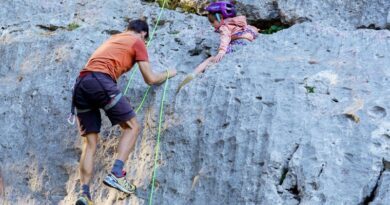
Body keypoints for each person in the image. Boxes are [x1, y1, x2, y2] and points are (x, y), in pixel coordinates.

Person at [72, 19, 177, 205]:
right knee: (132, 126)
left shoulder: (115, 38)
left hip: (81, 84)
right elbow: (151, 79)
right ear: (144, 33)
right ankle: (117, 173)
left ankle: (84, 194)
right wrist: (169, 73)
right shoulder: (138, 41)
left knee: (90, 143)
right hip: (100, 80)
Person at [177, 1, 259, 92]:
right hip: (247, 42)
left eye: (212, 23)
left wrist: (221, 51)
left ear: (219, 19)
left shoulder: (224, 27)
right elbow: (252, 29)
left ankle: (193, 74)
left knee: (211, 59)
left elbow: (225, 37)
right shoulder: (236, 21)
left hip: (238, 44)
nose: (212, 25)